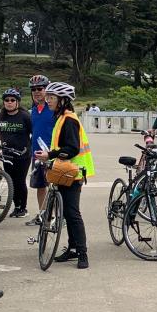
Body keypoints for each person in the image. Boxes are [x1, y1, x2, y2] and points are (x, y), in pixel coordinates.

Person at [34, 81, 94, 269]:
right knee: (67, 213)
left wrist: (49, 155)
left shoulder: (69, 119)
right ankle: (73, 249)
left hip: (72, 173)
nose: (48, 100)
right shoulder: (61, 117)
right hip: (63, 171)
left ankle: (82, 253)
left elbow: (72, 148)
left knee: (73, 213)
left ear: (62, 100)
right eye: (48, 97)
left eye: (52, 98)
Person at [0, 87, 33, 218]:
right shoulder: (0, 117)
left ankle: (23, 207)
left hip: (23, 155)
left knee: (20, 181)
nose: (9, 102)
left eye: (12, 100)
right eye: (7, 100)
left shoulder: (25, 116)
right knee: (11, 181)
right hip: (7, 154)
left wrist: (26, 145)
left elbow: (33, 133)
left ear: (17, 102)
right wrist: (6, 141)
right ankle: (16, 206)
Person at [27, 74, 55, 224]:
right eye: (33, 89)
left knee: (55, 186)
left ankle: (57, 216)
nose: (36, 91)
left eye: (40, 88)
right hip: (37, 153)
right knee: (41, 186)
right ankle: (43, 215)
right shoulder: (33, 108)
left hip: (52, 152)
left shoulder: (54, 107)